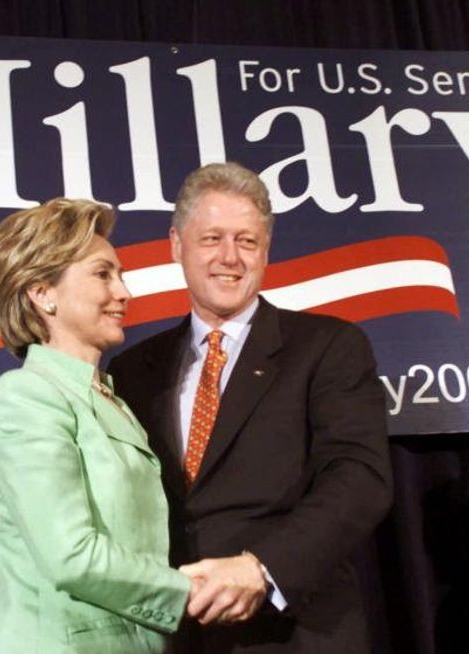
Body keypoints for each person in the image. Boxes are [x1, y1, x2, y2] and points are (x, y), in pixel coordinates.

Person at [108, 163, 394, 652]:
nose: (229, 258)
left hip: (294, 629)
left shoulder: (328, 347)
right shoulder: (133, 369)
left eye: (247, 241)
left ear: (266, 250)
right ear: (176, 245)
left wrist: (262, 567)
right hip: (173, 634)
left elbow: (359, 477)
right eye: (212, 238)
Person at [0, 198, 201, 653]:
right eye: (102, 274)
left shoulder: (114, 401)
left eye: (120, 275)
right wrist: (192, 591)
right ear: (42, 292)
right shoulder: (25, 397)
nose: (124, 293)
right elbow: (71, 555)